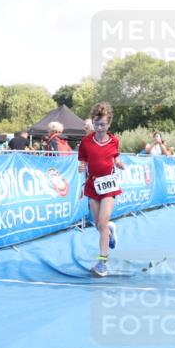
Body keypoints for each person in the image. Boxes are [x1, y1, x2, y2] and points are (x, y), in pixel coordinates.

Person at [78, 102, 126, 277]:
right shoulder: (85, 142)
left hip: (109, 186)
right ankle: (110, 231)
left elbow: (115, 155)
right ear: (92, 122)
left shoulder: (114, 140)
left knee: (103, 222)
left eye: (103, 124)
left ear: (109, 124)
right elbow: (83, 158)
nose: (99, 128)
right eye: (97, 124)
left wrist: (119, 163)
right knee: (99, 225)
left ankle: (102, 263)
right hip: (93, 185)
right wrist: (82, 166)